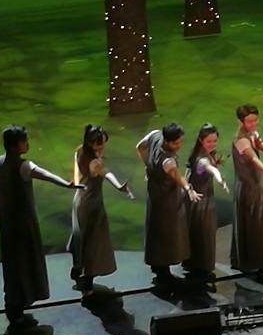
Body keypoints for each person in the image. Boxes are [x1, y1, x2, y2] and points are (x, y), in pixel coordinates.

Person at [0, 125, 82, 324]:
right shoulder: (23, 165)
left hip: (7, 224)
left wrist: (2, 215)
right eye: (24, 141)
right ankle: (18, 309)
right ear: (15, 146)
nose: (27, 144)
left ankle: (13, 306)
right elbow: (45, 174)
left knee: (12, 265)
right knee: (25, 263)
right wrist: (67, 184)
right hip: (24, 224)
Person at [68, 124, 133, 293]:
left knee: (81, 237)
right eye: (100, 143)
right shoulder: (95, 162)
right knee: (93, 243)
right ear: (91, 143)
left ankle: (77, 268)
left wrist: (76, 182)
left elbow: (76, 167)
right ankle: (87, 284)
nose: (103, 146)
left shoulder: (80, 150)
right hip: (92, 204)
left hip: (79, 200)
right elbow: (106, 173)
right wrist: (119, 186)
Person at [136, 123, 200, 284]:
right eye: (176, 143)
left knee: (155, 228)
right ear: (167, 141)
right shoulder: (167, 161)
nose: (179, 145)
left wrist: (148, 166)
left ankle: (157, 265)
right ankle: (163, 270)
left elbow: (140, 147)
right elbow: (178, 177)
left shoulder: (154, 135)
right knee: (166, 232)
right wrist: (189, 189)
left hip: (154, 191)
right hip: (166, 198)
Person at [230, 104, 263, 275]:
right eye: (249, 121)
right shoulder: (241, 140)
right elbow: (253, 159)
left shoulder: (252, 134)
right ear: (240, 121)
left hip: (255, 182)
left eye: (255, 120)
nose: (253, 124)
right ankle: (258, 261)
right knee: (257, 223)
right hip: (248, 186)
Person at [183, 123, 229, 282]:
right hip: (202, 203)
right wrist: (220, 178)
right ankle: (202, 267)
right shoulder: (202, 160)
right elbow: (211, 169)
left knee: (199, 234)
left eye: (214, 141)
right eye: (209, 141)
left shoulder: (202, 154)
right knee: (204, 235)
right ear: (201, 140)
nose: (212, 144)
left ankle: (194, 263)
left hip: (200, 201)